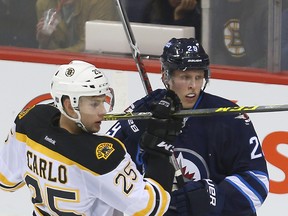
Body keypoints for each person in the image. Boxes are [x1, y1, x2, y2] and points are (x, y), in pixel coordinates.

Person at [107, 38, 270, 215]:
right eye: (185, 77)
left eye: (198, 77)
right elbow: (102, 165)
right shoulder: (144, 113)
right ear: (165, 76)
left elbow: (258, 181)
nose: (193, 86)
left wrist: (216, 197)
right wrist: (139, 147)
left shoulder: (229, 117)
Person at [0, 60, 182, 215]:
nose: (102, 111)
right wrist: (159, 148)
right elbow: (151, 206)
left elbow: (6, 180)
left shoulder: (30, 122)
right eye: (94, 104)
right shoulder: (100, 157)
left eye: (103, 101)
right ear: (69, 106)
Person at [36, 0, 119, 52]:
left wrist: (55, 54)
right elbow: (47, 52)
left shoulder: (99, 2)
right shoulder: (44, 4)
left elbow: (94, 47)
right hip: (61, 68)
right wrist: (45, 41)